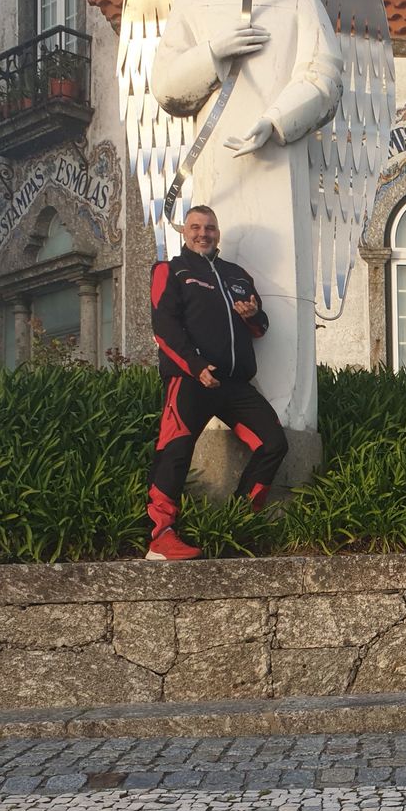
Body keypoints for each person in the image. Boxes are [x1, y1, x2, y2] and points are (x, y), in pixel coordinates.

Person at [150, 0, 343, 433]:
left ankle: (290, 419)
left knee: (284, 285)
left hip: (280, 161)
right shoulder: (193, 3)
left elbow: (324, 77)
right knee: (212, 279)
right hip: (218, 165)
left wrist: (276, 121)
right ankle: (215, 413)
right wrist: (213, 51)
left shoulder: (298, 1)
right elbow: (165, 86)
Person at [145, 205, 288, 560]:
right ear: (185, 232)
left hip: (234, 383)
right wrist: (195, 366)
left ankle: (240, 522)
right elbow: (164, 328)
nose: (203, 233)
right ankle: (160, 537)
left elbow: (260, 327)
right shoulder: (170, 270)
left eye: (209, 227)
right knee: (175, 451)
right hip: (190, 379)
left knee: (273, 443)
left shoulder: (237, 275)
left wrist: (253, 316)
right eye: (195, 227)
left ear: (218, 233)